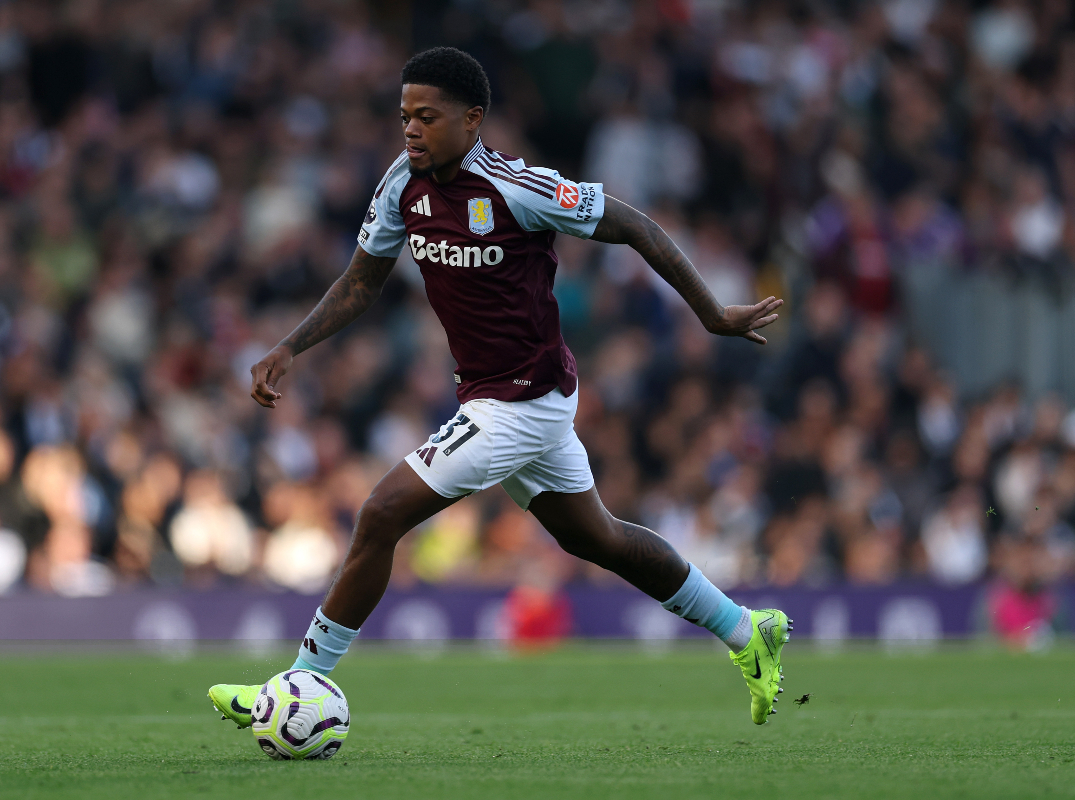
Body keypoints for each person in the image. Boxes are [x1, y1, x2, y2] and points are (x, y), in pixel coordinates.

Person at [208, 47, 791, 727]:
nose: (411, 129)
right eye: (404, 116)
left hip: (521, 402)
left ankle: (298, 684)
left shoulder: (516, 187)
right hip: (500, 397)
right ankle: (747, 632)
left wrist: (711, 312)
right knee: (598, 538)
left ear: (472, 119)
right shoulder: (402, 183)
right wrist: (290, 345)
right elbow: (361, 281)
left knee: (380, 513)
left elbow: (633, 224)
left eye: (428, 116)